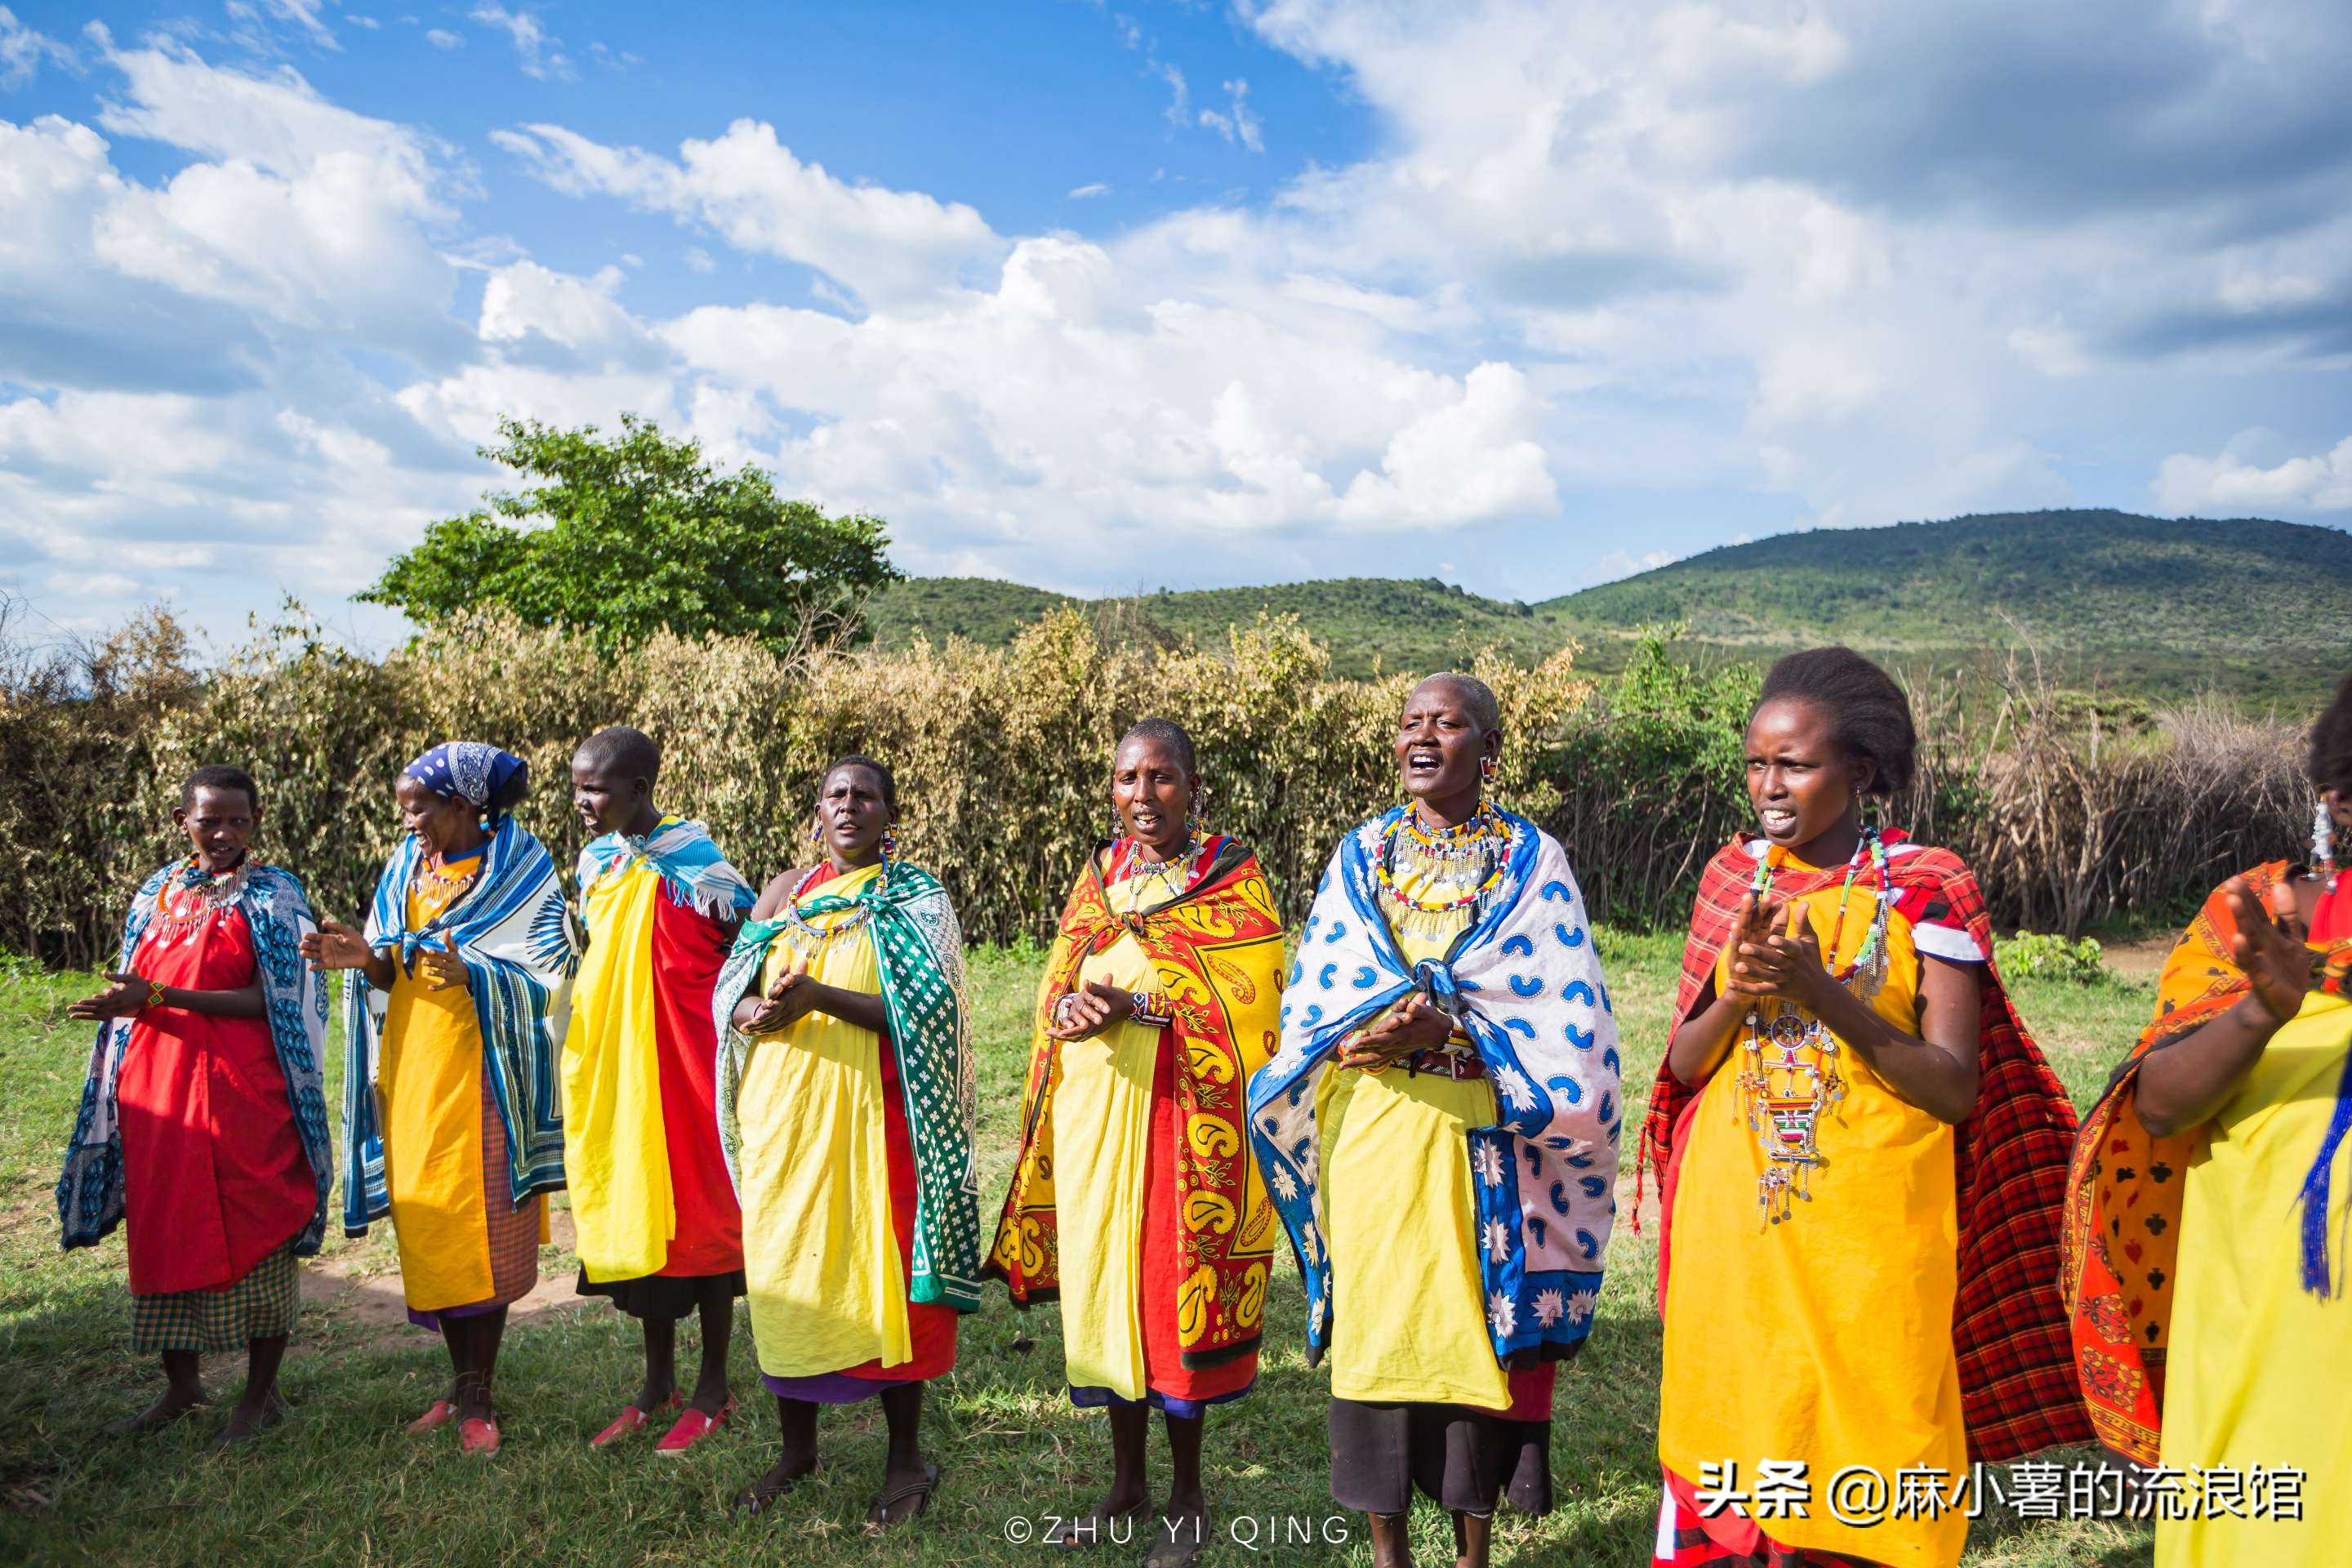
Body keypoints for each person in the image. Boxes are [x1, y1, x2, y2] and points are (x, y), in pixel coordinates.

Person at [1639, 648, 2087, 1568]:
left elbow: (1951, 1084)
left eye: (1794, 764)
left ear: (1861, 772)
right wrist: (1740, 990)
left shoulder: (1926, 887)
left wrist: (1820, 991)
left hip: (1870, 1240)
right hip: (1739, 1231)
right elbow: (1684, 1065)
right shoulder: (1735, 877)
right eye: (1757, 763)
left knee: (1873, 1429)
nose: (1769, 784)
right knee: (1733, 1420)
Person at [1249, 673, 1619, 1568]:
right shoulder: (1364, 851)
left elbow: (1566, 1014)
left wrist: (1454, 1025)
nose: (1422, 738)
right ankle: (1387, 1551)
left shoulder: (1533, 861)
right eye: (1411, 723)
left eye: (1446, 725)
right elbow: (1318, 988)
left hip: (1477, 1132)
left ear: (1488, 750)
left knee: (1464, 1327)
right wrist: (1368, 1031)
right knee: (1378, 1326)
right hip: (1373, 1123)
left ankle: (1472, 1551)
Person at [2061, 675, 2352, 1568]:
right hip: (2276, 1301)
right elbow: (2160, 1103)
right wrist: (2263, 1012)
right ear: (2339, 798)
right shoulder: (2263, 914)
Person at [990, 719, 1288, 1567]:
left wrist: (1137, 1009)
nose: (1142, 795)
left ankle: (1188, 1499)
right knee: (1106, 1292)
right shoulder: (1101, 876)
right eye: (1127, 778)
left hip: (1183, 1122)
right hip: (1096, 1113)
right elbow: (1060, 981)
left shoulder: (1232, 879)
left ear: (1194, 788)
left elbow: (1250, 1003)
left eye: (1161, 778)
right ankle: (1126, 1483)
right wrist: (1070, 1010)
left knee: (1166, 1294)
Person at [712, 755, 978, 1529]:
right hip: (785, 1127)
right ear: (817, 811)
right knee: (792, 1277)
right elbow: (732, 982)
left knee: (888, 1282)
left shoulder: (916, 897)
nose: (850, 806)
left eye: (866, 796)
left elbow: (935, 1015)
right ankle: (798, 1450)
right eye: (837, 795)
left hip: (884, 1124)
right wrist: (746, 1014)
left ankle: (904, 1458)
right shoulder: (783, 893)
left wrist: (818, 999)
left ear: (890, 814)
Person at [301, 742, 576, 1457]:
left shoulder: (521, 868)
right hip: (416, 1068)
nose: (408, 824)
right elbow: (394, 965)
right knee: (432, 1223)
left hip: (490, 1075)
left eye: (418, 809)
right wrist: (366, 959)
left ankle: (478, 1393)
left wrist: (476, 972)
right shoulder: (407, 868)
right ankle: (460, 1383)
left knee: (482, 1231)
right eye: (404, 811)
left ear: (462, 805)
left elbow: (555, 970)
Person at [57, 765, 332, 1450]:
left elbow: (281, 999)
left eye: (239, 820)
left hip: (244, 1093)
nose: (225, 833)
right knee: (165, 1227)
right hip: (159, 1091)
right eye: (210, 819)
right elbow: (137, 983)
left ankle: (260, 1396)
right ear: (183, 819)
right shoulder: (157, 892)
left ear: (255, 821)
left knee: (258, 1227)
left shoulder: (273, 895)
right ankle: (181, 1387)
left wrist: (158, 999)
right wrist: (123, 1006)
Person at [563, 725, 755, 1454]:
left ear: (640, 790)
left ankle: (713, 1387)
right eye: (578, 786)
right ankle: (655, 1384)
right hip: (620, 1064)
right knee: (640, 1209)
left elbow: (749, 949)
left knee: (702, 1221)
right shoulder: (598, 861)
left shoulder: (699, 866)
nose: (583, 800)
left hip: (688, 1067)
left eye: (597, 788)